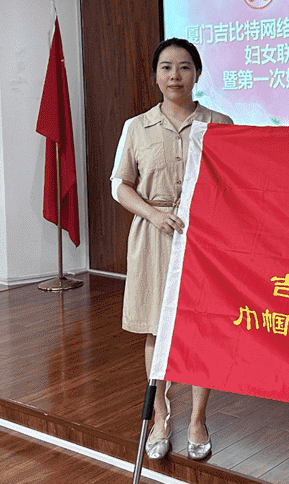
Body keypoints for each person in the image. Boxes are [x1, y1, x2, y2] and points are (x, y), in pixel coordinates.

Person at [110, 38, 233, 461]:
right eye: (166, 67)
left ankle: (198, 419)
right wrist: (153, 213)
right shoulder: (136, 127)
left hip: (205, 241)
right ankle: (161, 415)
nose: (174, 75)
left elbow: (233, 184)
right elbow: (120, 185)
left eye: (183, 67)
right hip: (153, 235)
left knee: (202, 330)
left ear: (196, 73)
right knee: (155, 328)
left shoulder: (219, 123)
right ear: (156, 75)